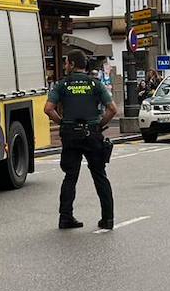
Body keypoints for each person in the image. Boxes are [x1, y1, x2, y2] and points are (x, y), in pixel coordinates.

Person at [45, 49, 118, 230]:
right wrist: (99, 125)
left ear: (71, 64)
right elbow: (112, 109)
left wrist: (62, 123)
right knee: (100, 176)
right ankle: (107, 219)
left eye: (66, 62)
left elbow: (48, 108)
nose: (65, 65)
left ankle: (65, 217)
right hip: (92, 134)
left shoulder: (62, 85)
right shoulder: (95, 85)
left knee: (70, 177)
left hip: (70, 134)